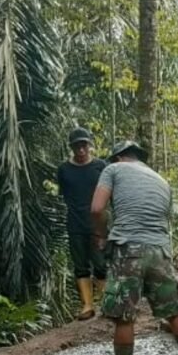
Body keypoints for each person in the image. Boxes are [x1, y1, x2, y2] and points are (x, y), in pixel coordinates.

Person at [91, 140, 178, 355]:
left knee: (124, 317)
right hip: (160, 251)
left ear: (118, 157)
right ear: (140, 157)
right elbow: (165, 219)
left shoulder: (112, 170)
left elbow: (97, 208)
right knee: (173, 312)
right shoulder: (161, 180)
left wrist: (100, 235)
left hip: (128, 249)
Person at [57, 127, 107, 319]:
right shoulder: (64, 169)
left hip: (97, 223)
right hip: (75, 223)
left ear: (89, 145)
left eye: (84, 145)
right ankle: (87, 305)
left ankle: (105, 303)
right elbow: (65, 194)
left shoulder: (101, 166)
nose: (81, 149)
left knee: (101, 264)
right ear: (72, 147)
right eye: (77, 146)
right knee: (80, 265)